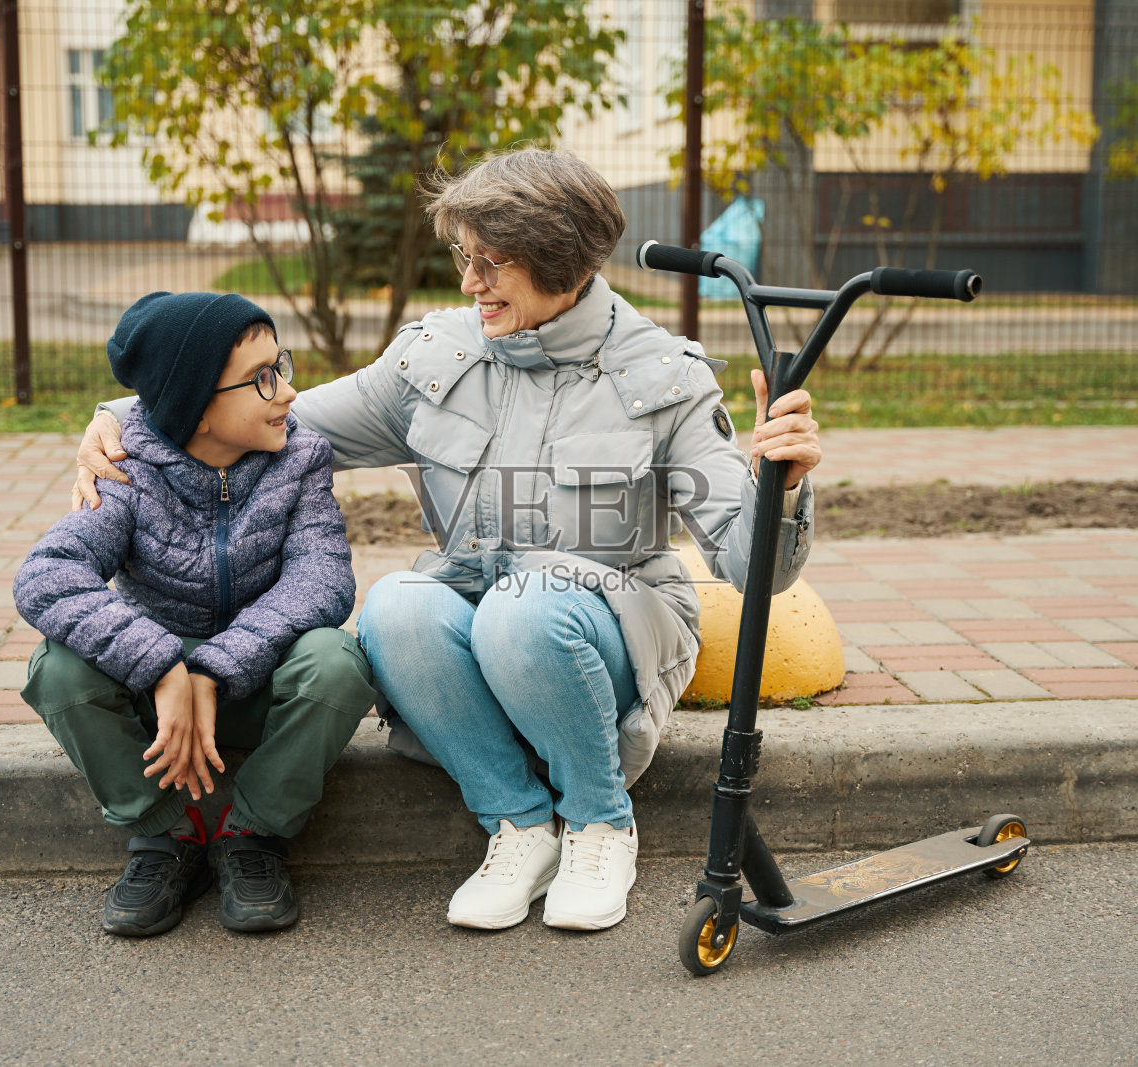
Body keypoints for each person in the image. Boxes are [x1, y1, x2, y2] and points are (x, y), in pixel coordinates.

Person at [72, 148, 822, 933]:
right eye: (465, 257)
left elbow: (752, 567)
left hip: (611, 626)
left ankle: (601, 822)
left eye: (491, 263)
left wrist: (786, 481)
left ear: (558, 260)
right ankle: (519, 826)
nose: (469, 283)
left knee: (522, 608)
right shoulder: (437, 356)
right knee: (394, 604)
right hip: (485, 607)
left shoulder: (664, 375)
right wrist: (123, 416)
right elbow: (281, 418)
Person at [15, 290, 375, 937]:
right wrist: (160, 665)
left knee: (336, 661)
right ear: (196, 404)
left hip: (255, 681)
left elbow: (323, 578)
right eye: (263, 378)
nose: (288, 392)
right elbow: (47, 576)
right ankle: (165, 836)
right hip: (161, 705)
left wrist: (212, 667)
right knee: (59, 668)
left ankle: (252, 833)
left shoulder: (301, 458)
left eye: (282, 365)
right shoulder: (129, 470)